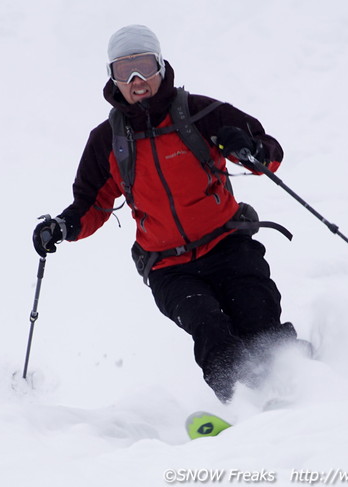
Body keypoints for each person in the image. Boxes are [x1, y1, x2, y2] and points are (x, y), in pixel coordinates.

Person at [33, 25, 306, 403]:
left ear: (161, 66)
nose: (136, 80)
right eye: (123, 70)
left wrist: (249, 147)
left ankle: (300, 387)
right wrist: (63, 227)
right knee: (210, 327)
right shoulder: (107, 141)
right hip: (168, 267)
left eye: (144, 65)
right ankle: (244, 406)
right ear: (111, 77)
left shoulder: (201, 113)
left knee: (257, 317)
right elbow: (91, 203)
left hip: (228, 244)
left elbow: (269, 153)